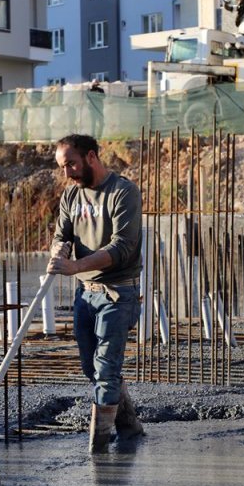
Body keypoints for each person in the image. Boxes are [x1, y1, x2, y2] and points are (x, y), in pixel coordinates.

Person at [47, 133, 145, 453]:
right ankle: (129, 426)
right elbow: (61, 235)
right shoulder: (71, 197)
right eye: (63, 167)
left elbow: (123, 247)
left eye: (72, 164)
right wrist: (59, 250)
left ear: (92, 157)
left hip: (118, 293)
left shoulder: (123, 192)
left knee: (105, 369)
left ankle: (98, 450)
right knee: (92, 367)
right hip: (85, 295)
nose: (68, 173)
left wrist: (76, 266)